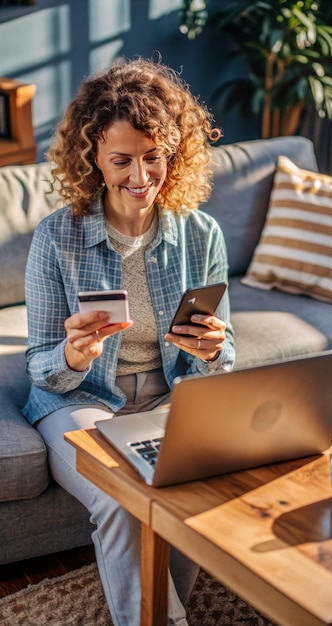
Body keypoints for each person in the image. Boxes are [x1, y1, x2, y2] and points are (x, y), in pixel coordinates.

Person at [22, 56, 235, 626]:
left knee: (193, 485)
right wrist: (72, 354)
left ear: (174, 153)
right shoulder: (57, 237)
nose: (140, 176)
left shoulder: (200, 231)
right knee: (122, 496)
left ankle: (157, 614)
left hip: (171, 395)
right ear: (91, 157)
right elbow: (39, 366)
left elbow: (224, 350)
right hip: (80, 399)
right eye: (122, 160)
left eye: (153, 157)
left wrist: (212, 350)